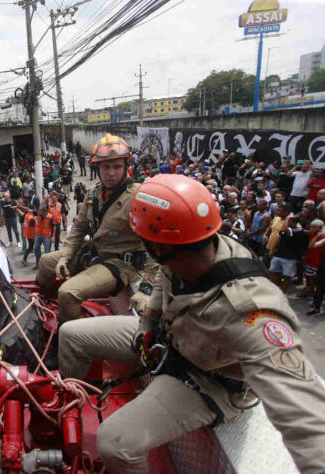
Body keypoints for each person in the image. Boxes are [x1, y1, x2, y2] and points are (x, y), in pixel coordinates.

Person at [59, 174, 325, 474]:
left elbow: (308, 419)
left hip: (205, 381)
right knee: (70, 334)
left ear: (154, 246)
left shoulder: (252, 310)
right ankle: (73, 408)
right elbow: (164, 277)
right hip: (168, 339)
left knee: (116, 442)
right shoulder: (188, 246)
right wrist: (147, 324)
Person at [37, 134, 157, 322]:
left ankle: (68, 338)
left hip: (120, 264)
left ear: (126, 167)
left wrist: (147, 288)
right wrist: (65, 257)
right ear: (97, 168)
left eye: (117, 167)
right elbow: (78, 229)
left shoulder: (138, 197)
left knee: (68, 292)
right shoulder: (94, 194)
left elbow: (155, 244)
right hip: (95, 253)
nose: (111, 172)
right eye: (105, 167)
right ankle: (41, 307)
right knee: (45, 262)